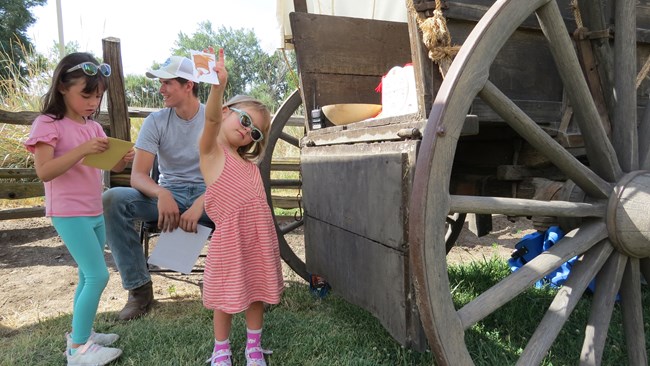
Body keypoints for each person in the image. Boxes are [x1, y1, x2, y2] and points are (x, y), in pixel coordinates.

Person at [24, 52, 133, 365]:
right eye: (86, 94)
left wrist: (119, 158)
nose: (93, 103)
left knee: (88, 275)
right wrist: (82, 149)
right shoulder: (48, 124)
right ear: (62, 87)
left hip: (93, 209)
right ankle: (78, 350)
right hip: (68, 212)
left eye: (98, 96)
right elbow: (45, 172)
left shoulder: (93, 128)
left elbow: (97, 165)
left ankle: (80, 333)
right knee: (98, 276)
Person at [102, 55, 212, 321]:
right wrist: (161, 193)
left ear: (189, 85)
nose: (160, 89)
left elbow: (231, 176)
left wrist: (201, 203)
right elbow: (138, 176)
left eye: (167, 83)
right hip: (166, 198)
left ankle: (245, 284)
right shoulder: (156, 121)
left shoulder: (215, 119)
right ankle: (140, 291)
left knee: (245, 200)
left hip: (209, 198)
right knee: (113, 199)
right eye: (161, 83)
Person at [199, 48, 284, 366]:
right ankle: (221, 348)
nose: (248, 131)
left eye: (255, 131)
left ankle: (253, 346)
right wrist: (218, 86)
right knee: (224, 297)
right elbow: (209, 120)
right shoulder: (212, 153)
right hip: (229, 242)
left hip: (257, 241)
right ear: (225, 111)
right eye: (245, 120)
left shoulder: (248, 163)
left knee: (257, 292)